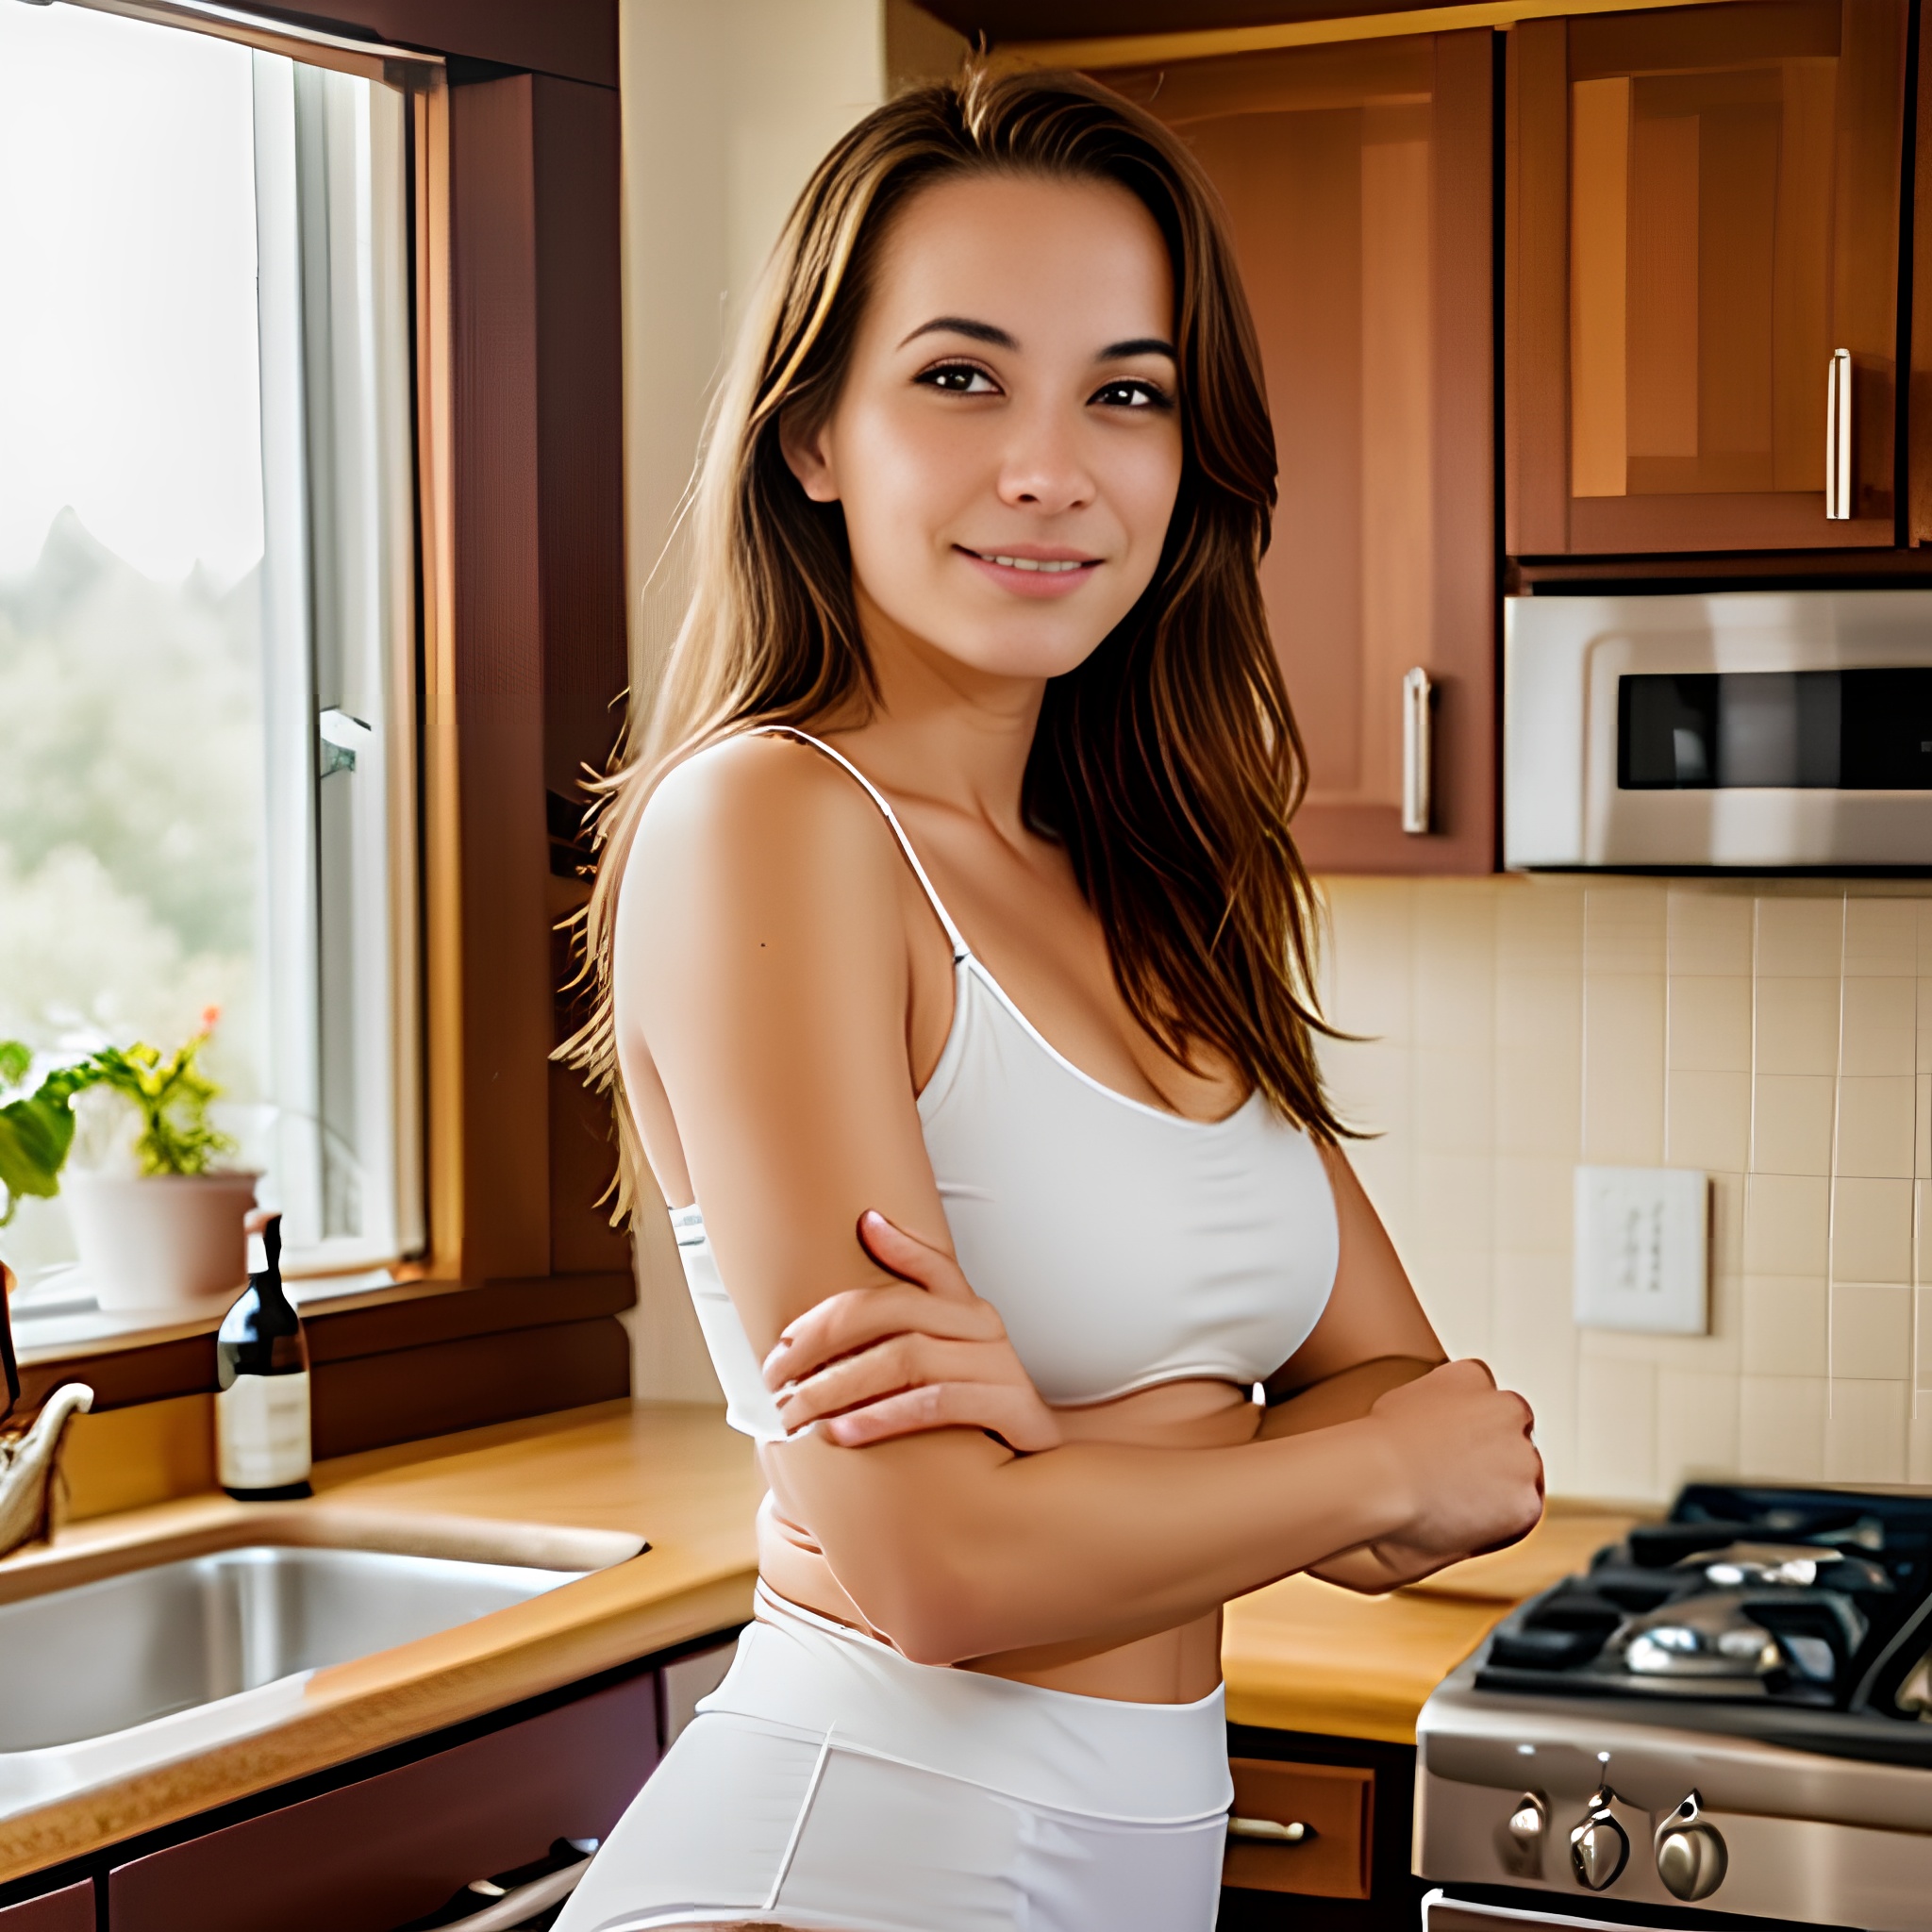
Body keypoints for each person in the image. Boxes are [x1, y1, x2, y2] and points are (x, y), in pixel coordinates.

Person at [556, 64, 1541, 1932]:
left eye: (1126, 392)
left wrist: (1077, 1462)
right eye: (958, 375)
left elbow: (1448, 1448)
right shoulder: (771, 824)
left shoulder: (1154, 877)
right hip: (839, 1867)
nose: (1050, 465)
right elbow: (936, 1571)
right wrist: (1343, 1464)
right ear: (812, 436)